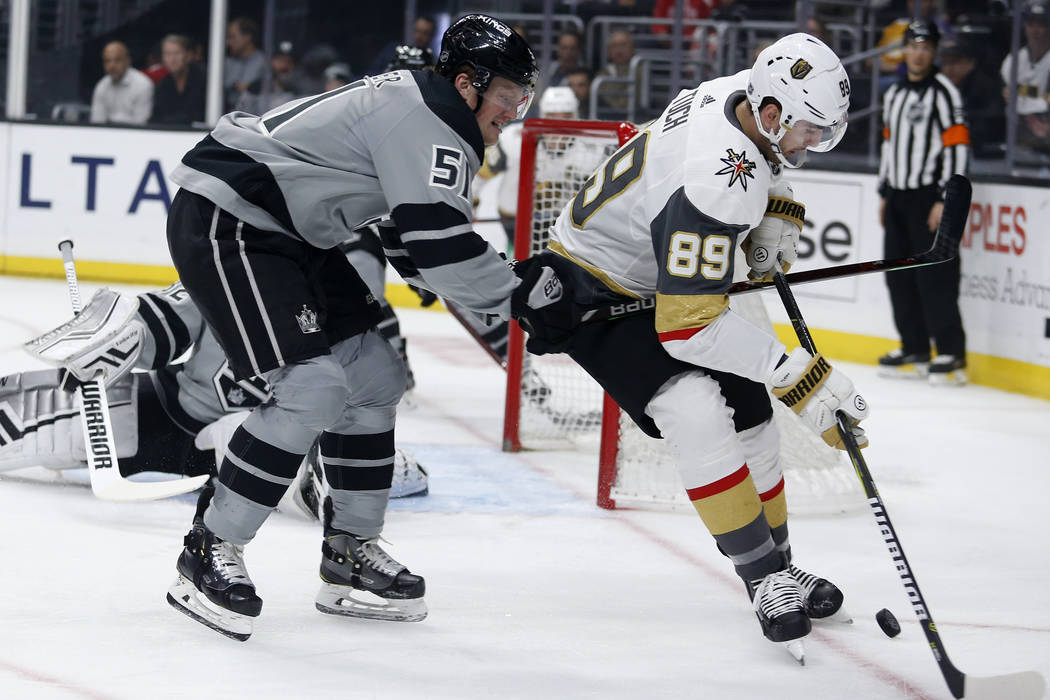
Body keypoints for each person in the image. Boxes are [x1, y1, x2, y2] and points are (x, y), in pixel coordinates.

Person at [161, 13, 537, 641]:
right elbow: (440, 249)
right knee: (313, 388)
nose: (514, 111)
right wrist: (527, 297)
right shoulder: (433, 118)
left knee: (375, 374)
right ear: (469, 82)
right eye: (508, 96)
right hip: (232, 218)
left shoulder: (428, 107)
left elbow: (411, 241)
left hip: (289, 231)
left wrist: (507, 292)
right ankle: (209, 548)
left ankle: (350, 554)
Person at [508, 33, 863, 659]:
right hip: (596, 290)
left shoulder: (740, 94)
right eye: (811, 130)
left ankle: (780, 565)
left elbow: (761, 168)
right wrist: (800, 378)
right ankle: (762, 580)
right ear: (775, 113)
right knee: (694, 410)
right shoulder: (719, 180)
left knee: (751, 410)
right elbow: (687, 327)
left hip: (656, 274)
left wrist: (778, 204)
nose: (815, 143)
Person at [3, 284, 429, 504]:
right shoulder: (229, 267)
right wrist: (117, 343)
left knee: (298, 462)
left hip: (252, 446)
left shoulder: (346, 305)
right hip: (166, 409)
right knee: (19, 409)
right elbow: (163, 323)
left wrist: (351, 459)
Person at [877, 21, 969, 385]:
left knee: (937, 275)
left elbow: (958, 147)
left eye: (925, 47)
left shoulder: (945, 93)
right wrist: (884, 192)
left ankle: (951, 352)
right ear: (905, 50)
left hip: (929, 196)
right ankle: (914, 346)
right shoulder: (895, 93)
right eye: (913, 46)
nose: (918, 53)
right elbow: (888, 145)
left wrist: (945, 199)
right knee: (897, 276)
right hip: (898, 196)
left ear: (933, 53)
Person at [1000, 1, 1050, 153]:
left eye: (1041, 25)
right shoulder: (1013, 60)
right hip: (1018, 126)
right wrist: (1038, 95)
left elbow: (1046, 97)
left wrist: (1021, 90)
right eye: (1031, 24)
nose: (1035, 30)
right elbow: (1008, 94)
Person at [940, 38, 1004, 157]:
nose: (949, 69)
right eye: (945, 63)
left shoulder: (984, 86)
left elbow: (991, 121)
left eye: (955, 62)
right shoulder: (940, 87)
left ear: (971, 63)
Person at [90, 40, 154, 125]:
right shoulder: (101, 86)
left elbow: (141, 125)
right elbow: (97, 122)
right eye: (107, 61)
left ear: (128, 61)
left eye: (117, 60)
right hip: (106, 135)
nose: (112, 65)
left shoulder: (142, 85)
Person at [150, 34, 206, 125]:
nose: (172, 59)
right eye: (167, 54)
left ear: (189, 55)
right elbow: (157, 117)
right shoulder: (163, 85)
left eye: (177, 53)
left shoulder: (204, 80)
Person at [224, 17, 266, 111]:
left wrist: (252, 88)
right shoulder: (227, 64)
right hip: (228, 116)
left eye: (232, 37)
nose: (228, 42)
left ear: (247, 37)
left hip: (254, 118)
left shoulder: (264, 62)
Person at [596, 29, 637, 114]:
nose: (619, 50)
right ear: (608, 51)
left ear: (632, 48)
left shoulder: (640, 71)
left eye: (623, 45)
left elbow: (625, 105)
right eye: (614, 46)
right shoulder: (601, 74)